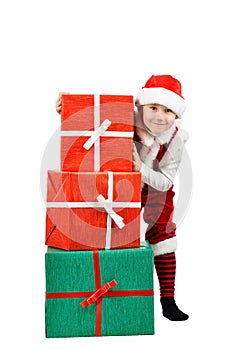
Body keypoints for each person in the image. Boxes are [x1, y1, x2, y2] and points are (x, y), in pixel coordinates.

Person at [55, 74, 189, 321]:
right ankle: (106, 286)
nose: (159, 116)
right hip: (119, 182)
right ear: (141, 106)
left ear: (177, 115)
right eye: (153, 108)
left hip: (156, 190)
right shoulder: (125, 116)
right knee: (108, 226)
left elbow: (166, 181)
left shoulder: (175, 141)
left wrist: (142, 170)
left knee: (163, 235)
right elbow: (93, 117)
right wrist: (68, 105)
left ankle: (168, 300)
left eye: (168, 110)